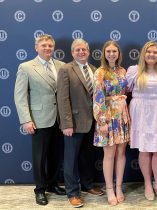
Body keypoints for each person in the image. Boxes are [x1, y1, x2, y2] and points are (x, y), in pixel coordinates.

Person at [14, 34, 66, 206]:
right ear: (36, 47)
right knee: (39, 157)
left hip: (59, 119)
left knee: (56, 155)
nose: (47, 48)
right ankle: (40, 189)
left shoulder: (62, 66)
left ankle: (52, 184)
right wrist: (26, 120)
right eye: (43, 45)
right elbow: (20, 96)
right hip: (38, 119)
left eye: (50, 45)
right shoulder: (26, 67)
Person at [57, 38, 104, 208]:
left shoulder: (94, 69)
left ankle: (87, 185)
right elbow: (62, 99)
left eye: (84, 49)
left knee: (87, 157)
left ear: (88, 51)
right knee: (70, 159)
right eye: (77, 50)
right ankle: (72, 192)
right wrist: (67, 124)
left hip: (93, 123)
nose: (81, 52)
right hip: (74, 123)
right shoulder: (65, 69)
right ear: (72, 52)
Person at [126, 41, 157, 202]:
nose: (151, 55)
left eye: (154, 52)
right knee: (144, 150)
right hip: (140, 113)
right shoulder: (134, 71)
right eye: (148, 52)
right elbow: (124, 91)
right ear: (143, 54)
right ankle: (147, 184)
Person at [93, 40, 130, 206]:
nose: (111, 54)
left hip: (122, 116)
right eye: (108, 51)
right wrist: (101, 120)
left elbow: (127, 91)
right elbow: (97, 96)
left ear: (119, 53)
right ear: (104, 54)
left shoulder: (124, 71)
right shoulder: (100, 72)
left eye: (114, 51)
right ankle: (109, 189)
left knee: (121, 153)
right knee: (109, 154)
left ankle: (119, 187)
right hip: (107, 116)